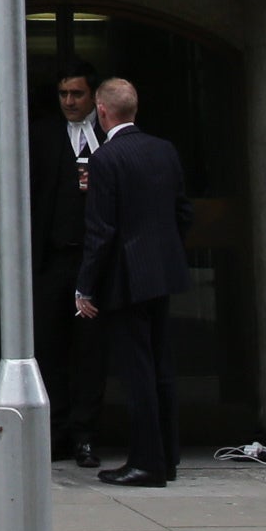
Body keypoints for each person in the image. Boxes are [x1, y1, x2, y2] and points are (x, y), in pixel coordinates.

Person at [71, 77, 191, 488]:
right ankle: (167, 456)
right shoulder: (164, 150)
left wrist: (85, 286)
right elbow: (182, 212)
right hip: (162, 273)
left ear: (102, 112)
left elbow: (100, 231)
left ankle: (146, 462)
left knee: (137, 371)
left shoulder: (106, 159)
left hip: (126, 279)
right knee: (161, 367)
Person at [32, 70, 104, 466]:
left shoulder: (108, 136)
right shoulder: (43, 135)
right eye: (63, 94)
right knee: (50, 345)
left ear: (94, 96)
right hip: (54, 257)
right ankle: (56, 429)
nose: (70, 101)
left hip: (92, 261)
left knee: (90, 349)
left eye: (77, 93)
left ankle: (85, 432)